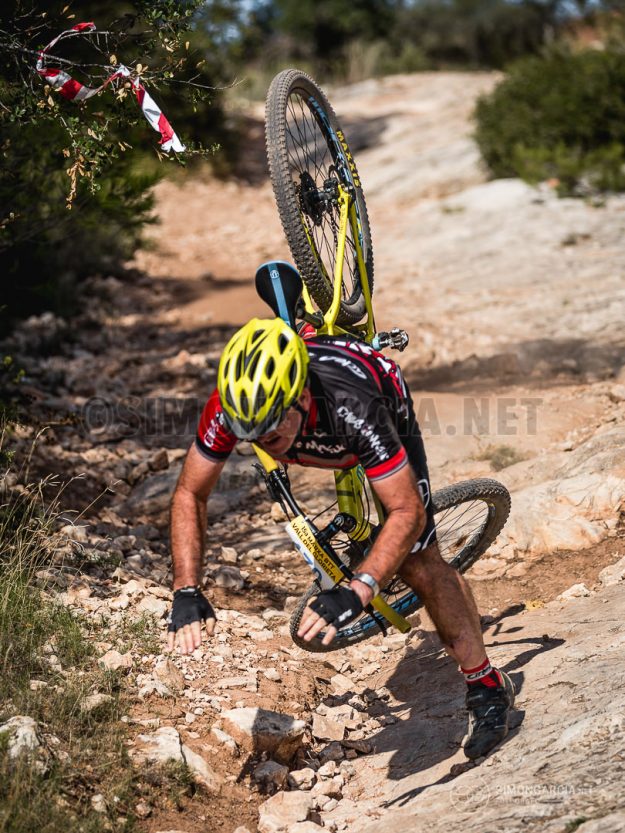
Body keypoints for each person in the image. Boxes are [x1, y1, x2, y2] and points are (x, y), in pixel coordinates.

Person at [168, 316, 515, 760]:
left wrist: (359, 589)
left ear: (303, 398)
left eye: (270, 435)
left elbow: (407, 511)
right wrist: (186, 589)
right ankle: (304, 307)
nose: (261, 444)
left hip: (371, 401)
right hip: (313, 409)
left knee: (419, 561)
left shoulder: (357, 407)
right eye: (247, 437)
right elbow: (190, 492)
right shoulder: (231, 406)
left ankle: (486, 685)